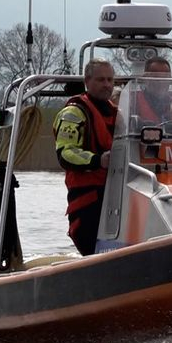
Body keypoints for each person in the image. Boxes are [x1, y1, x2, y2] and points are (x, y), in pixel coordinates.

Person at [53, 59, 117, 256]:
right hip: (89, 200)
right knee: (92, 247)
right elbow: (66, 153)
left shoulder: (119, 113)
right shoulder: (73, 113)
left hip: (117, 196)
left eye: (110, 80)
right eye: (100, 80)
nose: (106, 84)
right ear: (87, 81)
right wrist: (98, 160)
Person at [136, 57, 172, 123]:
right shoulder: (134, 102)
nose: (161, 82)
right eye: (155, 77)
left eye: (165, 77)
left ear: (170, 80)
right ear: (145, 79)